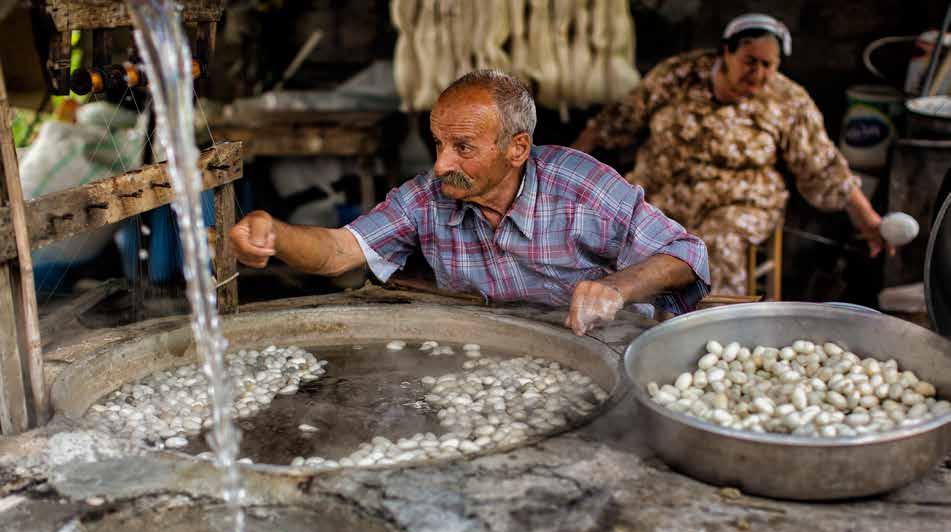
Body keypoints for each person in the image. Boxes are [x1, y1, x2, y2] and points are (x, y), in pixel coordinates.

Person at [230, 70, 710, 335]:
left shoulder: (580, 185)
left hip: (600, 346)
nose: (440, 164)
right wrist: (276, 233)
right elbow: (338, 250)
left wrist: (618, 287)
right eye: (438, 144)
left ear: (517, 148)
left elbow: (688, 254)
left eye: (462, 148)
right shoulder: (426, 198)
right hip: (493, 349)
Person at [572, 13, 891, 296]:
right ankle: (633, 334)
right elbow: (615, 121)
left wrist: (867, 218)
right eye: (750, 60)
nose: (759, 73)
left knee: (713, 248)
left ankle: (710, 338)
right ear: (726, 51)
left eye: (769, 65)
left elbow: (823, 165)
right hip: (662, 189)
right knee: (622, 234)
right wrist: (565, 164)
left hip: (737, 202)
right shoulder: (678, 76)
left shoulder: (787, 99)